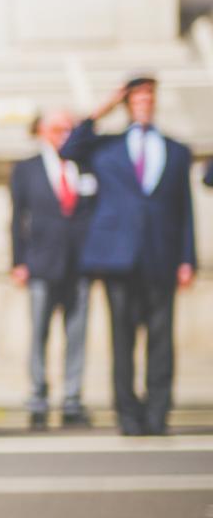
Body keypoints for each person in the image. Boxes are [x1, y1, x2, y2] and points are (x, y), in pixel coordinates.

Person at [58, 76, 197, 436]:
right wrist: (102, 108)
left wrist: (187, 259)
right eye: (136, 98)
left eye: (149, 97)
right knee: (122, 340)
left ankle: (157, 413)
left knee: (161, 340)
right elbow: (68, 149)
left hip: (160, 256)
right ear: (127, 103)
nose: (144, 103)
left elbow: (185, 208)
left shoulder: (176, 150)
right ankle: (128, 415)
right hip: (117, 257)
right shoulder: (106, 147)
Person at [9, 110, 96, 430]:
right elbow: (17, 217)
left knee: (76, 334)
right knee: (39, 333)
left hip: (79, 263)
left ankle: (72, 397)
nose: (64, 134)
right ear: (42, 131)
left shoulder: (83, 165)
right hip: (41, 263)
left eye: (68, 129)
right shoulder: (27, 168)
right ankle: (38, 396)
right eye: (58, 128)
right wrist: (18, 261)